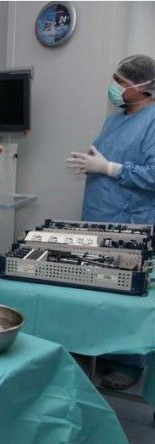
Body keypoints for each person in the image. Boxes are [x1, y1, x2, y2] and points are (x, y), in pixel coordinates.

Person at [66, 54, 155, 390]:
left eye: (121, 82)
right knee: (98, 292)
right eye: (114, 78)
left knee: (125, 299)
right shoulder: (115, 119)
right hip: (99, 216)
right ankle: (98, 352)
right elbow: (104, 156)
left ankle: (128, 363)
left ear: (144, 87)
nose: (114, 86)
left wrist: (109, 168)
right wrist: (91, 163)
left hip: (131, 222)